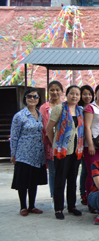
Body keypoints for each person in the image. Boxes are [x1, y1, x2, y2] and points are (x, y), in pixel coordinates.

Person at [46, 85, 85, 220]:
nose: (74, 96)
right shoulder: (59, 109)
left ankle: (72, 206)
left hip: (76, 150)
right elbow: (49, 128)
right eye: (72, 93)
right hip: (62, 151)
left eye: (77, 94)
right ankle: (58, 208)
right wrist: (55, 144)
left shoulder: (80, 110)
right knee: (60, 180)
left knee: (72, 180)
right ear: (66, 94)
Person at [10, 88, 46, 217]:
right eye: (29, 96)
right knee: (23, 181)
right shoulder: (19, 116)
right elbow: (14, 136)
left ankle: (32, 206)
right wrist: (13, 154)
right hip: (23, 154)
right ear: (25, 98)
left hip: (37, 154)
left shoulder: (39, 114)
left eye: (35, 97)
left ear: (38, 100)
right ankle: (23, 207)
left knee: (33, 180)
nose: (32, 99)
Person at [40, 80, 63, 207]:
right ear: (48, 92)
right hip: (50, 144)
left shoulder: (65, 105)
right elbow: (45, 126)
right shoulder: (44, 107)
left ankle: (62, 195)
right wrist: (53, 140)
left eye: (57, 90)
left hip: (65, 145)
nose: (54, 92)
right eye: (52, 90)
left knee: (63, 172)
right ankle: (55, 197)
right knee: (53, 172)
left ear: (61, 91)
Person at [78, 84, 94, 205]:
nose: (87, 96)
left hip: (89, 141)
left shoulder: (94, 107)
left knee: (87, 169)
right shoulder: (78, 108)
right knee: (84, 170)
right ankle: (83, 193)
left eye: (89, 94)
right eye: (84, 94)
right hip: (81, 142)